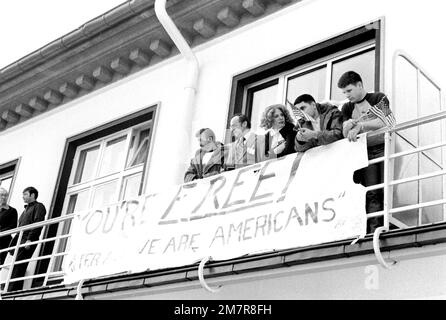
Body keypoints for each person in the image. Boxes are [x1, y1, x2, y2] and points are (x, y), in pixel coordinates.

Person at [337, 71, 395, 233]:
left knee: (386, 188)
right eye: (344, 92)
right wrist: (347, 127)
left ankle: (386, 226)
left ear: (359, 85)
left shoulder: (378, 98)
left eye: (349, 91)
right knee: (371, 191)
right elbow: (344, 133)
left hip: (383, 148)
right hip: (363, 152)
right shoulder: (347, 107)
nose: (347, 95)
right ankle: (373, 229)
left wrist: (361, 126)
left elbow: (385, 120)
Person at [7, 187, 46, 292]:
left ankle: (11, 290)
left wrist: (30, 239)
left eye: (25, 194)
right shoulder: (26, 209)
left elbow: (38, 223)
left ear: (32, 195)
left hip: (27, 240)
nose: (22, 197)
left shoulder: (39, 207)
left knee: (19, 265)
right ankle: (12, 289)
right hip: (20, 240)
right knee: (17, 265)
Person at [0, 187, 18, 267]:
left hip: (3, 241)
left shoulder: (12, 211)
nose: (4, 197)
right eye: (1, 195)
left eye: (6, 195)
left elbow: (13, 226)